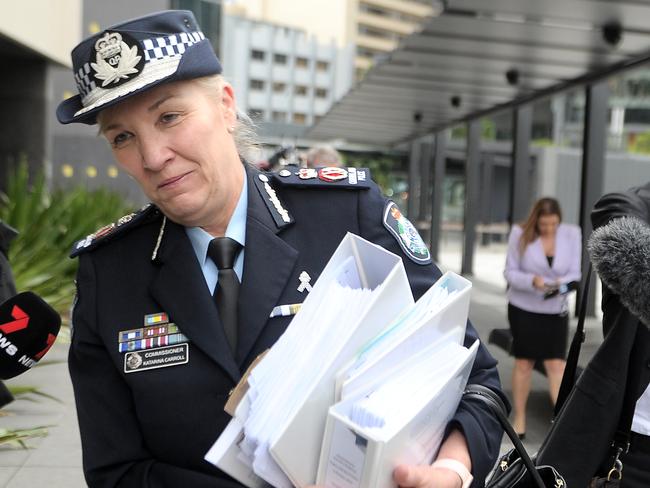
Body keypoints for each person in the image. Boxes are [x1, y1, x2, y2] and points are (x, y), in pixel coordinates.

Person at [57, 10, 504, 488]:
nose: (152, 156)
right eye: (122, 137)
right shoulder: (110, 272)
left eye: (169, 117)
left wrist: (449, 471)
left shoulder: (345, 215)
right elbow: (115, 472)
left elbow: (473, 379)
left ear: (225, 106)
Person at [503, 197, 581, 438]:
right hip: (524, 308)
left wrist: (560, 284)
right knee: (524, 362)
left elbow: (576, 272)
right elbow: (509, 272)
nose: (549, 229)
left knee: (557, 365)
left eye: (553, 224)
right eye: (544, 224)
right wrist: (532, 281)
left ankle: (561, 423)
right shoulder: (519, 233)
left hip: (555, 310)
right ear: (536, 220)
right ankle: (520, 419)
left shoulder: (572, 234)